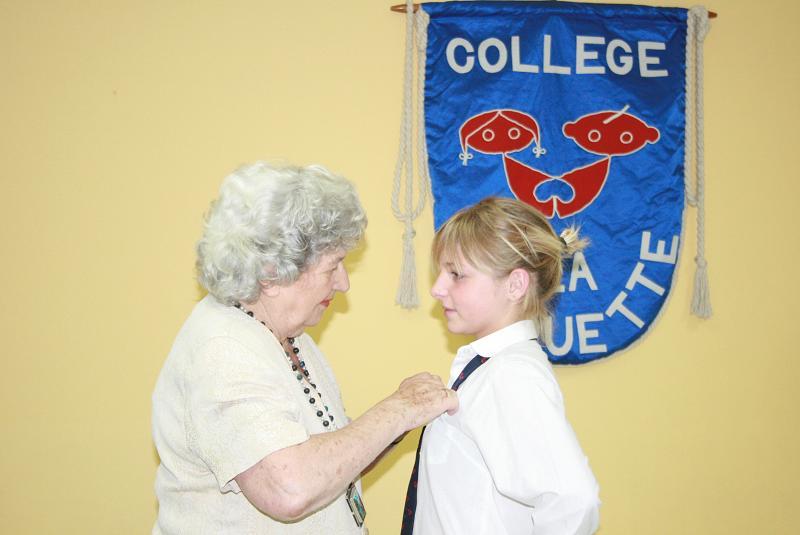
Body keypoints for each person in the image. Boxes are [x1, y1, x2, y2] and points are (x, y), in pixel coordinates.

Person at [152, 161, 458, 534]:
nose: (343, 283)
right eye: (333, 266)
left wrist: (402, 421)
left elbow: (330, 462)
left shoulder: (290, 337)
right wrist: (399, 409)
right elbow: (289, 489)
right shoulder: (223, 349)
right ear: (272, 272)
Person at [402, 196, 600, 535]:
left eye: (456, 275)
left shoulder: (510, 374)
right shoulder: (489, 368)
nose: (437, 289)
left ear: (515, 285)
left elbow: (574, 501)